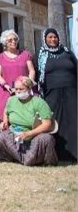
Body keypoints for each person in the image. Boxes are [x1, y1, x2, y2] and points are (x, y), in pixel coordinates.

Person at [35, 28, 77, 162]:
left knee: (74, 122)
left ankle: (75, 154)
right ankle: (57, 155)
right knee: (55, 123)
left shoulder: (67, 53)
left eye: (55, 37)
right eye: (50, 37)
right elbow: (36, 75)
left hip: (71, 93)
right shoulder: (40, 55)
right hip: (51, 95)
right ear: (45, 39)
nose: (53, 40)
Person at [0, 76, 58, 166]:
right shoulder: (11, 100)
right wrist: (4, 122)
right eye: (16, 89)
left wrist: (29, 134)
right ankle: (21, 158)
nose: (18, 91)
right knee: (1, 137)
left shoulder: (39, 102)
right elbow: (6, 111)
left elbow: (47, 124)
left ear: (29, 89)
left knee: (46, 139)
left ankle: (27, 159)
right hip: (16, 134)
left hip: (34, 135)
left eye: (21, 89)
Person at [0, 29, 35, 123]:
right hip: (6, 91)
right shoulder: (0, 57)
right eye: (10, 40)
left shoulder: (25, 54)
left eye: (15, 39)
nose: (13, 41)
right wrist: (5, 85)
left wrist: (28, 83)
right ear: (4, 42)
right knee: (7, 117)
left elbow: (31, 70)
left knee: (26, 116)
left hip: (24, 90)